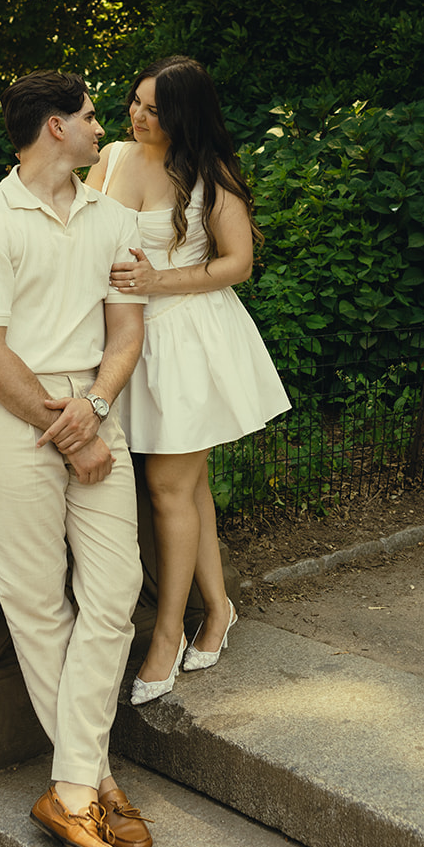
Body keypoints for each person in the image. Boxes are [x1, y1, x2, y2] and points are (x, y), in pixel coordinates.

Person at [0, 70, 151, 847]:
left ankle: (69, 786)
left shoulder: (116, 217)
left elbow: (127, 333)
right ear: (55, 128)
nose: (105, 128)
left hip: (93, 411)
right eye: (93, 117)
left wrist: (94, 411)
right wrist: (70, 431)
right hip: (14, 423)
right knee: (37, 607)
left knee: (111, 596)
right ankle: (98, 782)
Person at [87, 54, 290, 705]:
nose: (139, 116)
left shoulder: (210, 174)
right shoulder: (114, 156)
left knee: (166, 485)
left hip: (186, 338)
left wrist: (157, 282)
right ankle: (218, 607)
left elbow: (239, 263)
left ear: (183, 113)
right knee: (186, 483)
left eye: (153, 108)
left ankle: (167, 634)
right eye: (135, 103)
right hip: (125, 338)